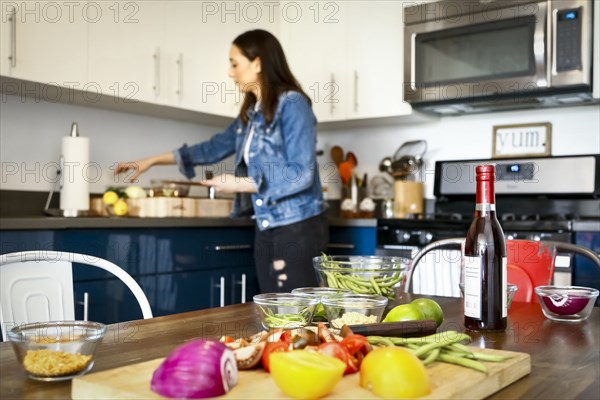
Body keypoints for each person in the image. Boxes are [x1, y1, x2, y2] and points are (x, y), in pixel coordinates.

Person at [116, 29, 328, 293]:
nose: (230, 72)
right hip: (267, 224)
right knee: (273, 313)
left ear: (258, 63)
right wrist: (150, 161)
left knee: (296, 315)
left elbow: (300, 173)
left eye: (234, 63)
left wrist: (240, 183)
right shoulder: (250, 115)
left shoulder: (293, 104)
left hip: (297, 226)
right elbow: (211, 148)